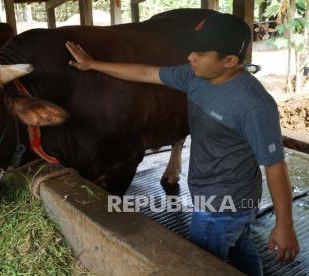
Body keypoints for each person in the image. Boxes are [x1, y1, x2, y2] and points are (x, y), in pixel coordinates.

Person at [65, 12, 299, 275]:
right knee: (239, 246)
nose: (190, 57)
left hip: (223, 204)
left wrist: (285, 225)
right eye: (190, 49)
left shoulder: (254, 104)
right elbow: (146, 72)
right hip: (215, 196)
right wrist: (93, 64)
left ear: (230, 61)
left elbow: (275, 167)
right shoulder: (194, 76)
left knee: (201, 263)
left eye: (200, 53)